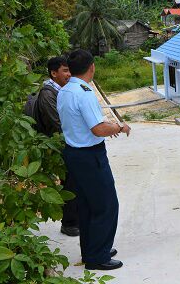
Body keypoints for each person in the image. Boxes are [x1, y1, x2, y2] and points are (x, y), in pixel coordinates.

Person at [57, 49, 131, 271]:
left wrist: (107, 126)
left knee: (87, 206)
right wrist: (119, 126)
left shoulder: (65, 90)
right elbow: (98, 129)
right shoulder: (84, 92)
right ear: (92, 67)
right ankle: (97, 257)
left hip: (74, 153)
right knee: (106, 205)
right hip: (90, 156)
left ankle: (92, 249)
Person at [33, 56, 80, 237]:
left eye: (69, 71)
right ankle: (69, 223)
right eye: (65, 71)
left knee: (74, 181)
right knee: (69, 183)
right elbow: (57, 124)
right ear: (53, 73)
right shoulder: (48, 94)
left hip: (66, 143)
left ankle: (75, 219)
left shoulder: (59, 91)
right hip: (60, 146)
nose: (69, 75)